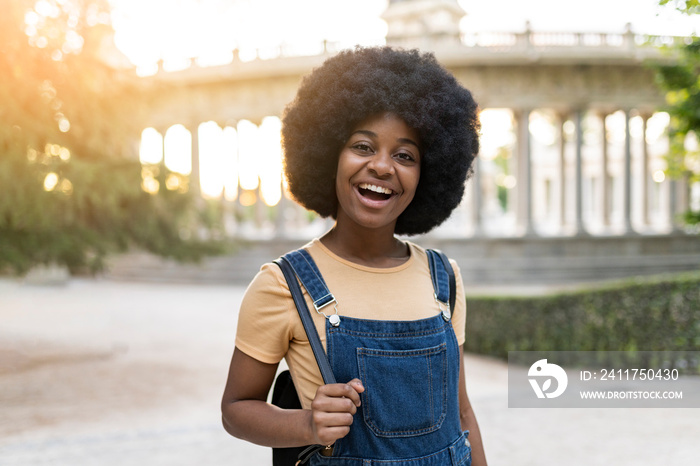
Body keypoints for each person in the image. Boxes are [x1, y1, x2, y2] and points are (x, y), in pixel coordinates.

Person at [221, 46, 486, 465]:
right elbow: (236, 409)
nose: (382, 166)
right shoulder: (282, 284)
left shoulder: (444, 280)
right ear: (328, 154)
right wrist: (307, 425)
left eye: (404, 155)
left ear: (427, 174)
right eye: (363, 146)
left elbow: (462, 414)